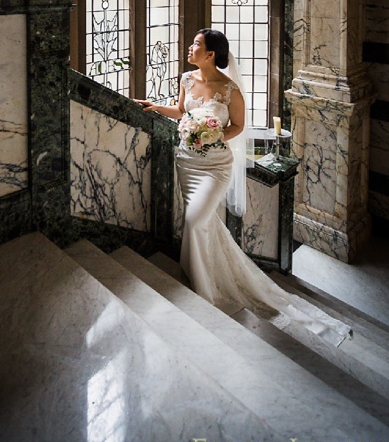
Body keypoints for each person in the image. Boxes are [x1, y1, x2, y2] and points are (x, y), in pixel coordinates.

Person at [135, 28, 351, 346]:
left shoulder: (229, 89)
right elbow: (182, 112)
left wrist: (213, 135)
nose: (190, 47)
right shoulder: (185, 79)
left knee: (195, 219)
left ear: (210, 54)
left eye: (196, 45)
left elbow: (237, 126)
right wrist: (156, 107)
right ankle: (199, 271)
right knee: (200, 223)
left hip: (215, 166)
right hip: (187, 161)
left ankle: (206, 291)